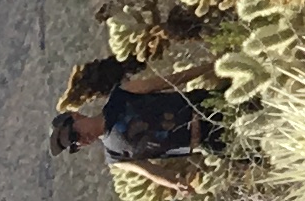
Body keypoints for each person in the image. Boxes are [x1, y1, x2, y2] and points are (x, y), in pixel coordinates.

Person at [50, 58, 218, 185]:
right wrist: (174, 183)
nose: (80, 140)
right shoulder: (114, 157)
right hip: (209, 141)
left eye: (74, 134)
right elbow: (151, 171)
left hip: (205, 106)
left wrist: (211, 67)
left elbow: (169, 81)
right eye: (74, 145)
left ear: (76, 116)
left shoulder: (121, 95)